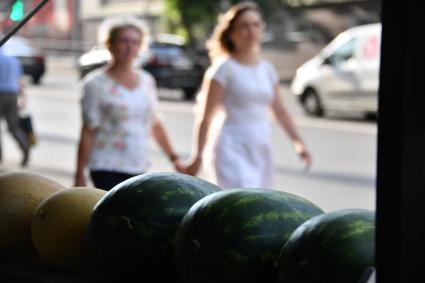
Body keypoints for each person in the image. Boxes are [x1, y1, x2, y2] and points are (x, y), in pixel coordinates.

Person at [184, 1, 311, 189]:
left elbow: (279, 110)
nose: (251, 31)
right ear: (231, 33)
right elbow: (205, 116)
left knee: (258, 204)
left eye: (256, 24)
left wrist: (298, 143)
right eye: (244, 26)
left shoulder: (267, 70)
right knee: (236, 204)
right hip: (230, 145)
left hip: (260, 145)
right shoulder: (223, 69)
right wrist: (198, 156)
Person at [74, 17, 183, 190]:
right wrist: (79, 174)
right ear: (110, 44)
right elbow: (88, 130)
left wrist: (174, 159)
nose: (129, 47)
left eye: (135, 42)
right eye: (124, 41)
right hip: (105, 165)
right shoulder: (94, 84)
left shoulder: (147, 81)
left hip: (139, 166)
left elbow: (154, 123)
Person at [0, 47, 30, 167]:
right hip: (12, 96)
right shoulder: (13, 60)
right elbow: (19, 82)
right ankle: (25, 147)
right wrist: (23, 98)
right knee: (14, 127)